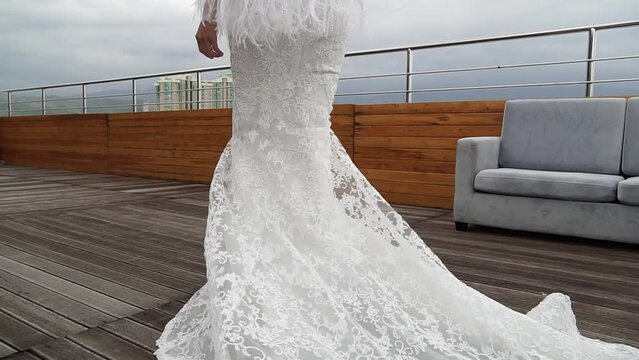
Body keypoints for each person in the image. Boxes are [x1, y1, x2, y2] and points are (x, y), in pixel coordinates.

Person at [154, 1, 639, 359]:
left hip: (273, 12)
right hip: (299, 12)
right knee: (285, 133)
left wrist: (211, 13)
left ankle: (285, 266)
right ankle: (294, 262)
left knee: (276, 133)